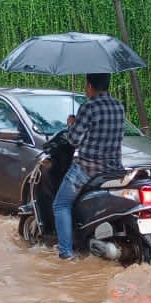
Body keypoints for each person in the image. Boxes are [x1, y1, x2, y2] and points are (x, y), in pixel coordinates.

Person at [53, 72, 126, 260]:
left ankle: (66, 254)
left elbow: (73, 139)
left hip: (87, 168)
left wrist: (71, 124)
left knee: (60, 204)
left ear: (89, 86)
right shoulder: (119, 106)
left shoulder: (89, 107)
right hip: (114, 169)